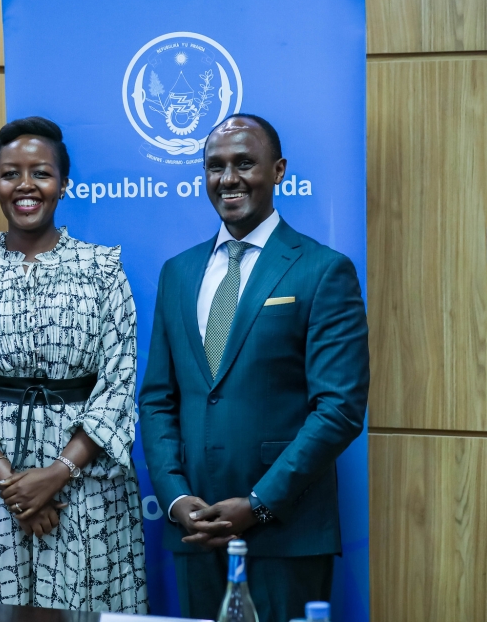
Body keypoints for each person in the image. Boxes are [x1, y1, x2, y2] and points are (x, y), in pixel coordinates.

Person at [139, 114, 369, 621]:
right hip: (195, 534)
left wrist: (259, 503)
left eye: (244, 163)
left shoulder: (322, 269)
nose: (228, 178)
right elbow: (158, 399)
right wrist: (177, 501)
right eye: (215, 166)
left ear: (279, 170)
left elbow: (340, 408)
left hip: (283, 531)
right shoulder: (178, 272)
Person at [0, 117, 148, 611]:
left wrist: (57, 473)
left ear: (63, 184)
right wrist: (10, 482)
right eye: (11, 174)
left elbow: (118, 382)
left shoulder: (102, 271)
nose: (25, 186)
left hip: (84, 485)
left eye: (41, 173)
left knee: (84, 608)